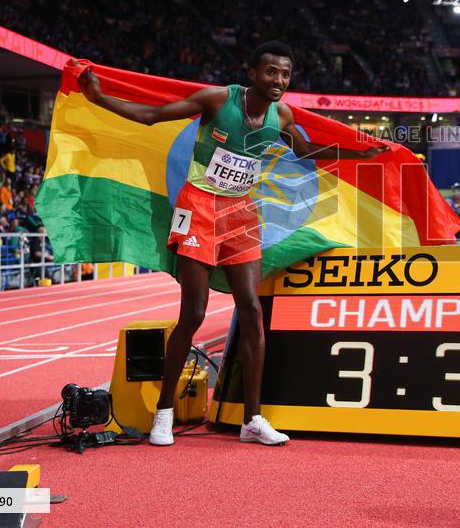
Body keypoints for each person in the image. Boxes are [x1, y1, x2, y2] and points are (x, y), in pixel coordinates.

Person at [75, 41, 387, 447]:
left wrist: (362, 152)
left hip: (240, 212)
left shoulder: (283, 115)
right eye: (271, 72)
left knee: (253, 309)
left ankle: (252, 420)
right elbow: (151, 116)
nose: (279, 81)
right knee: (194, 313)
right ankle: (163, 414)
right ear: (253, 73)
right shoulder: (218, 99)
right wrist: (98, 97)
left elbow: (308, 151)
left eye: (286, 75)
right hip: (199, 207)